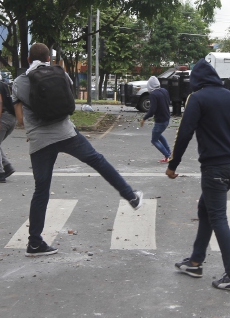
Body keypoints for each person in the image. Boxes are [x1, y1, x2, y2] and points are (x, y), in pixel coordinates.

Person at [13, 43, 144, 256]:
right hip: (67, 133)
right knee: (97, 160)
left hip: (39, 141)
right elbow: (67, 101)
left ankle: (35, 243)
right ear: (49, 59)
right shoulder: (60, 73)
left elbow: (20, 120)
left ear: (28, 60)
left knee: (41, 190)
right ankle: (130, 195)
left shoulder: (19, 82)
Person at [167, 58, 230, 291]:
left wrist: (173, 164)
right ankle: (195, 262)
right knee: (205, 210)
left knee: (217, 217)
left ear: (196, 80)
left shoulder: (198, 98)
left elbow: (184, 133)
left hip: (214, 167)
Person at [140, 76, 172, 163]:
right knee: (159, 135)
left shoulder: (153, 95)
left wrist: (144, 118)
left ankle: (168, 155)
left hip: (160, 120)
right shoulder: (164, 91)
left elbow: (152, 110)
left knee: (154, 140)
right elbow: (168, 101)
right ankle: (169, 153)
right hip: (167, 117)